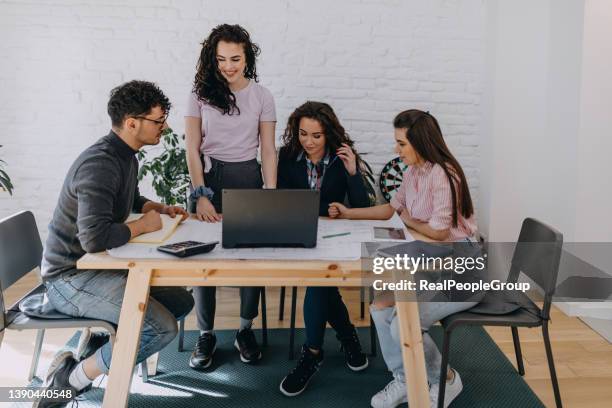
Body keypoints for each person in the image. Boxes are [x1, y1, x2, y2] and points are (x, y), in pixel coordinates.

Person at [35, 80, 194, 407]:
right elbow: (93, 238)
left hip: (100, 268)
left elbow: (129, 198)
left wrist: (156, 208)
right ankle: (70, 380)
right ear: (132, 122)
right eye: (158, 121)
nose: (164, 127)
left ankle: (90, 355)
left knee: (181, 302)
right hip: (70, 277)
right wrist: (140, 227)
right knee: (161, 329)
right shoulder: (100, 164)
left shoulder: (126, 156)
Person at [329, 109, 480, 408]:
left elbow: (438, 232)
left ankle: (445, 379)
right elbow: (391, 209)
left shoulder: (444, 174)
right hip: (434, 264)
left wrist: (409, 220)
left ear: (421, 143)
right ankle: (406, 379)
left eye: (401, 144)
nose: (396, 150)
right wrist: (349, 213)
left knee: (402, 324)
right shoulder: (413, 171)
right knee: (380, 306)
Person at [184, 23, 276, 369]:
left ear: (247, 57)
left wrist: (269, 192)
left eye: (235, 58)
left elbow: (268, 150)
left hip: (247, 177)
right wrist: (201, 194)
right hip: (208, 178)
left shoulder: (262, 96)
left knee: (250, 260)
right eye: (221, 59)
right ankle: (205, 334)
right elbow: (192, 150)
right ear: (213, 58)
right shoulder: (198, 94)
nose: (228, 66)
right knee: (201, 260)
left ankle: (244, 329)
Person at [277, 101, 372, 397]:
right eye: (303, 134)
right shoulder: (288, 156)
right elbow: (283, 200)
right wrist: (326, 208)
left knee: (320, 282)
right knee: (322, 281)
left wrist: (353, 171)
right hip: (299, 234)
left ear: (328, 134)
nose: (308, 142)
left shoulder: (342, 156)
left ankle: (313, 352)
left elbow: (362, 207)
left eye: (316, 136)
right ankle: (346, 335)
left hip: (335, 237)